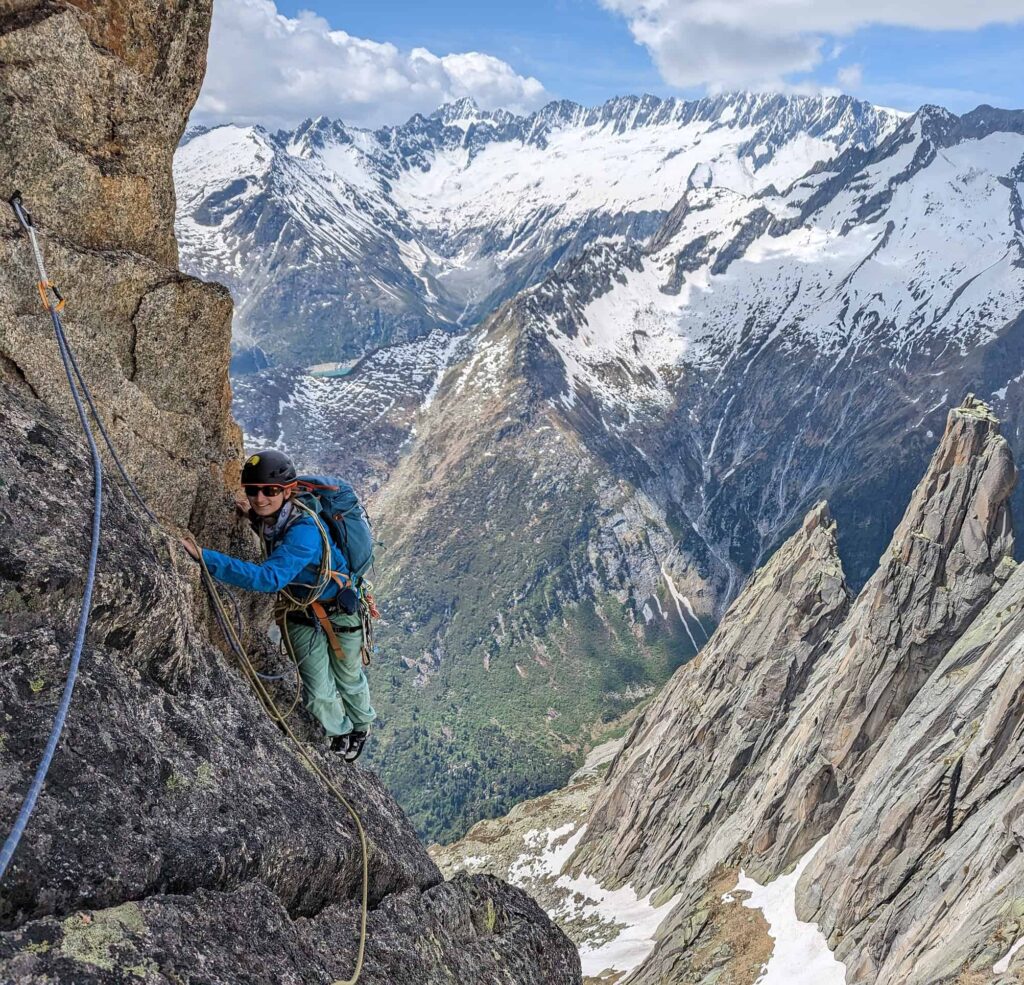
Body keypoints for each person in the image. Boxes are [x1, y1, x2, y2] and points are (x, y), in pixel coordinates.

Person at [182, 450, 375, 761]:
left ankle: (361, 726)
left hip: (339, 608)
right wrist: (249, 516)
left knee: (348, 675)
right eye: (252, 490)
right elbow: (269, 530)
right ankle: (339, 732)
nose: (260, 498)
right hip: (300, 611)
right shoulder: (273, 517)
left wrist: (206, 557)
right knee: (317, 688)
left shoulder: (305, 531)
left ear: (288, 491)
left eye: (270, 491)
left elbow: (270, 578)